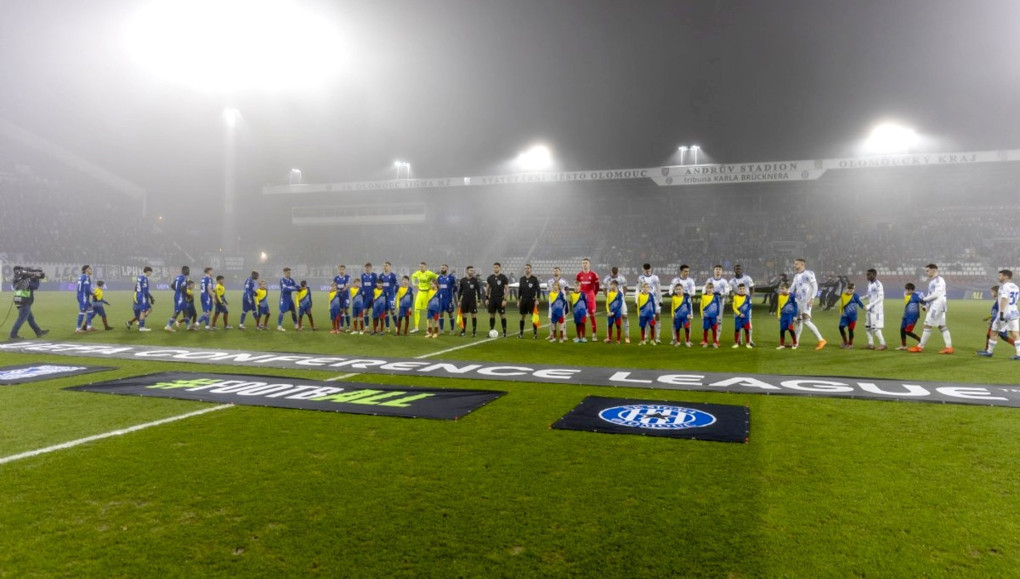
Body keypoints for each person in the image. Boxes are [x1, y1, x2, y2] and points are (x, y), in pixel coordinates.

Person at [908, 264, 953, 354]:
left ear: (934, 270)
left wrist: (924, 299)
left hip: (937, 306)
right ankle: (949, 348)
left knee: (927, 325)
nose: (926, 272)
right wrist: (926, 305)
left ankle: (920, 347)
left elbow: (936, 294)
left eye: (927, 270)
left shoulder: (939, 280)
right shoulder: (932, 281)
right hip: (938, 306)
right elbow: (931, 295)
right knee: (942, 326)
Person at [978, 270, 1020, 359]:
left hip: (1004, 314)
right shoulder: (1016, 287)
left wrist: (1001, 313)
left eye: (1000, 275)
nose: (998, 277)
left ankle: (989, 352)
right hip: (1014, 313)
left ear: (1006, 276)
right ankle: (1019, 354)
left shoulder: (1004, 287)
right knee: (1015, 334)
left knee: (994, 332)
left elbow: (1004, 299)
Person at [792, 258, 827, 350]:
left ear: (802, 265)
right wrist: (786, 293)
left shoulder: (809, 273)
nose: (795, 265)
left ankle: (821, 340)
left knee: (806, 320)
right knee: (798, 321)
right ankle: (796, 342)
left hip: (806, 300)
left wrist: (812, 298)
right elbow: (792, 288)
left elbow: (815, 286)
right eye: (795, 264)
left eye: (796, 264)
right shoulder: (796, 276)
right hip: (798, 301)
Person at [8, 266, 48, 341]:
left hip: (20, 300)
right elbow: (35, 286)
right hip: (24, 301)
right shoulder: (24, 280)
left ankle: (38, 332)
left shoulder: (18, 279)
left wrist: (31, 276)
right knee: (21, 318)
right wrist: (36, 278)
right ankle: (13, 335)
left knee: (30, 319)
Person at [669, 264, 697, 347]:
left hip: (686, 303)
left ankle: (687, 340)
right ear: (681, 271)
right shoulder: (675, 280)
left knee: (688, 323)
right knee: (675, 323)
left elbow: (693, 292)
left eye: (688, 271)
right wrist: (675, 293)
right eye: (685, 271)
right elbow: (670, 291)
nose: (687, 273)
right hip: (677, 303)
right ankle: (675, 339)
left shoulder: (691, 281)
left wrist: (685, 294)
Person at [637, 264, 662, 343]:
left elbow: (658, 289)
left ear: (651, 269)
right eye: (646, 270)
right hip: (645, 301)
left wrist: (660, 300)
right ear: (643, 269)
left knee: (657, 317)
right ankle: (646, 336)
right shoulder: (640, 278)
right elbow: (637, 289)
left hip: (655, 300)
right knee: (646, 317)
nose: (647, 271)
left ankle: (657, 337)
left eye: (649, 270)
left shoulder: (655, 278)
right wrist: (636, 301)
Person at [576, 258, 600, 341]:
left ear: (589, 264)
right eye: (583, 263)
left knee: (592, 315)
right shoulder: (578, 275)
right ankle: (580, 335)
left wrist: (593, 294)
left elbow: (597, 287)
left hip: (590, 296)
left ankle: (594, 335)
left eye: (586, 263)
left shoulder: (594, 275)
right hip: (581, 297)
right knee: (581, 316)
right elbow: (577, 286)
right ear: (581, 265)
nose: (585, 264)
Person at [863, 268, 887, 350]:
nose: (867, 276)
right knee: (867, 327)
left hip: (877, 310)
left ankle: (883, 344)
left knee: (875, 328)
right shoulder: (870, 284)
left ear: (874, 275)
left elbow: (881, 297)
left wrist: (870, 305)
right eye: (867, 274)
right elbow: (868, 295)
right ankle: (871, 344)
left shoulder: (878, 284)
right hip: (870, 309)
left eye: (869, 274)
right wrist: (859, 298)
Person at [837, 283, 866, 349]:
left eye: (852, 289)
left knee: (850, 330)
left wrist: (864, 307)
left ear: (854, 289)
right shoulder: (843, 295)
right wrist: (841, 311)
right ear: (847, 289)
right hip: (845, 316)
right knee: (841, 327)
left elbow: (860, 303)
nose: (851, 290)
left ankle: (850, 344)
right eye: (849, 288)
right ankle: (845, 342)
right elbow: (842, 304)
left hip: (853, 317)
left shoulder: (855, 296)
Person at [606, 266, 630, 343]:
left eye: (616, 273)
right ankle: (608, 337)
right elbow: (604, 288)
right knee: (609, 317)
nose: (615, 274)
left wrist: (623, 296)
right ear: (611, 271)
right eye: (613, 273)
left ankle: (627, 336)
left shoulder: (622, 278)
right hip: (611, 300)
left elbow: (625, 287)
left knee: (625, 316)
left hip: (620, 299)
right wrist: (609, 298)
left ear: (618, 272)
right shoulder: (607, 278)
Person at [705, 264, 731, 339]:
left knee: (719, 321)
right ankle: (707, 337)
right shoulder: (709, 280)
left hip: (720, 303)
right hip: (710, 303)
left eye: (719, 269)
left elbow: (727, 292)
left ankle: (717, 338)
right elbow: (705, 290)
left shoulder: (724, 281)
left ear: (722, 271)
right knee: (709, 320)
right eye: (716, 269)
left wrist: (721, 294)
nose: (718, 271)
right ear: (714, 271)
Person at [410, 262, 437, 333]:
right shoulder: (418, 273)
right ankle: (416, 327)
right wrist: (414, 283)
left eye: (422, 266)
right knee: (416, 310)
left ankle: (428, 328)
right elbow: (413, 276)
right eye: (420, 266)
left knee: (428, 310)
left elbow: (436, 276)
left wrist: (435, 285)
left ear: (425, 267)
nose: (421, 268)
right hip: (419, 292)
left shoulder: (429, 273)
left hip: (426, 293)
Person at [516, 263, 540, 339]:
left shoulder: (534, 279)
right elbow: (519, 290)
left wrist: (537, 299)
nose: (526, 270)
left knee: (534, 317)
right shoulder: (521, 279)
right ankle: (521, 334)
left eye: (528, 268)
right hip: (523, 300)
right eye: (525, 268)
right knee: (522, 316)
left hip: (531, 300)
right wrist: (518, 300)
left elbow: (538, 290)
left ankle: (535, 334)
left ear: (530, 269)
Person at [486, 262, 510, 338]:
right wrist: (487, 298)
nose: (495, 268)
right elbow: (487, 289)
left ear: (500, 268)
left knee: (502, 315)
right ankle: (491, 331)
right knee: (492, 315)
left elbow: (507, 289)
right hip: (492, 299)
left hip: (500, 299)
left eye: (496, 267)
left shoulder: (503, 277)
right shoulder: (490, 278)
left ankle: (504, 332)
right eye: (494, 267)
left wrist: (505, 299)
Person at [127, 266, 154, 332]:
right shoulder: (144, 279)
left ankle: (139, 322)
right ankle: (141, 326)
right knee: (143, 311)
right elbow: (145, 290)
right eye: (150, 272)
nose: (150, 274)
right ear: (148, 271)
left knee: (148, 309)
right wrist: (149, 297)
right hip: (142, 296)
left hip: (138, 295)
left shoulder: (140, 277)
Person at [897, 282, 923, 350]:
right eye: (906, 289)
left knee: (907, 331)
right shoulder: (906, 295)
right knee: (902, 330)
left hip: (913, 317)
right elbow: (906, 301)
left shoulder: (916, 296)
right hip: (906, 316)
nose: (907, 291)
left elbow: (923, 302)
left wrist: (923, 306)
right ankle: (904, 346)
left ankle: (921, 341)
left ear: (913, 290)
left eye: (909, 290)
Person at [458, 265, 482, 337]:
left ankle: (474, 332)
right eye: (471, 270)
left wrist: (478, 301)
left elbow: (478, 291)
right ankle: (463, 331)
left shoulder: (475, 280)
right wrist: (459, 300)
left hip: (472, 300)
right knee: (464, 315)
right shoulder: (463, 280)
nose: (472, 271)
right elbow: (460, 291)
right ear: (467, 271)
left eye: (473, 270)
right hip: (464, 300)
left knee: (473, 315)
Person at [546, 267, 570, 341]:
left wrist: (561, 297)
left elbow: (567, 291)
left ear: (560, 272)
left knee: (562, 318)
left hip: (560, 303)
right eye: (554, 271)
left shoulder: (564, 281)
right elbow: (548, 291)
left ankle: (564, 335)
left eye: (557, 270)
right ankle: (552, 335)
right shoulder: (549, 281)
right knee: (551, 318)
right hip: (552, 302)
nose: (555, 272)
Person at [165, 265, 190, 333]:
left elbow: (172, 285)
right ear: (184, 270)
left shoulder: (178, 277)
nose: (189, 271)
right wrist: (188, 295)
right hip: (180, 297)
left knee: (186, 311)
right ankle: (168, 325)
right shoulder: (184, 278)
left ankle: (188, 326)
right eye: (188, 270)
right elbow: (182, 288)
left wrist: (177, 291)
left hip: (178, 295)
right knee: (177, 311)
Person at [669, 280, 692, 347]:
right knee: (677, 329)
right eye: (677, 289)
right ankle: (678, 341)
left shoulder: (686, 297)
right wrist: (672, 315)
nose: (678, 291)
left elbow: (689, 306)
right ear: (675, 290)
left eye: (680, 289)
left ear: (682, 289)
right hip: (677, 316)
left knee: (687, 328)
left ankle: (687, 341)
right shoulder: (674, 298)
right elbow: (672, 307)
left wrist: (689, 314)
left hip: (685, 316)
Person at [700, 281, 722, 348]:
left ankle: (715, 342)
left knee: (714, 329)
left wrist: (717, 315)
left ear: (713, 289)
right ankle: (706, 342)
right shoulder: (703, 296)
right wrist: (702, 315)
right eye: (708, 288)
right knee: (705, 329)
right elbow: (701, 306)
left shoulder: (716, 297)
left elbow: (718, 306)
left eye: (710, 288)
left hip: (713, 317)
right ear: (706, 289)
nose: (709, 289)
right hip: (706, 316)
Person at [437, 264, 458, 334]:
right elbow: (438, 287)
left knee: (450, 314)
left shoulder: (451, 277)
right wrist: (438, 296)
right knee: (441, 314)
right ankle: (441, 329)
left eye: (443, 268)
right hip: (441, 299)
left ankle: (452, 330)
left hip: (448, 299)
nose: (442, 269)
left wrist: (451, 295)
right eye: (441, 268)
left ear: (447, 269)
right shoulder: (439, 278)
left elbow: (455, 288)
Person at [776, 282, 798, 349]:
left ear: (787, 289)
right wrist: (778, 315)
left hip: (790, 315)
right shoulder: (780, 296)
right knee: (782, 330)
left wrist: (795, 316)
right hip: (783, 315)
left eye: (783, 289)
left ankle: (795, 343)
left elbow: (795, 306)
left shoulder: (792, 296)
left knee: (790, 328)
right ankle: (782, 345)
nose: (781, 290)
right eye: (781, 289)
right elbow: (779, 306)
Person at [379, 262, 398, 333]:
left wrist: (394, 293)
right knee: (385, 311)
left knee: (392, 311)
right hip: (384, 296)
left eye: (386, 266)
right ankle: (387, 327)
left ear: (390, 267)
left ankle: (397, 326)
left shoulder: (393, 275)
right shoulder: (381, 276)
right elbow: (379, 285)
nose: (385, 267)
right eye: (384, 266)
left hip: (391, 296)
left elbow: (397, 285)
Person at [732, 283, 753, 348]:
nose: (741, 290)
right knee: (737, 329)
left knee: (747, 330)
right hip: (738, 317)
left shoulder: (748, 297)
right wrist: (739, 314)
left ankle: (748, 343)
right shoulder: (735, 297)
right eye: (740, 289)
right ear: (738, 289)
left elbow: (749, 306)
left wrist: (744, 313)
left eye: (743, 289)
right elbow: (734, 307)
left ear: (745, 289)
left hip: (745, 317)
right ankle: (736, 343)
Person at [277, 267, 299, 331]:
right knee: (282, 311)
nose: (289, 274)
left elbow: (296, 286)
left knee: (293, 311)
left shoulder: (291, 280)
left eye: (290, 272)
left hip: (289, 299)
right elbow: (285, 289)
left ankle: (296, 324)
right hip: (284, 298)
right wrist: (294, 288)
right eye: (288, 272)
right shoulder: (282, 280)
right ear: (284, 272)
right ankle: (279, 326)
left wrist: (297, 287)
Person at [75, 264, 95, 332]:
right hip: (83, 296)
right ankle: (78, 329)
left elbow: (84, 287)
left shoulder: (81, 276)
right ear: (86, 270)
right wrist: (92, 293)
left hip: (81, 295)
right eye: (90, 268)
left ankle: (89, 327)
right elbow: (86, 289)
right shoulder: (86, 277)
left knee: (90, 308)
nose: (91, 270)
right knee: (82, 311)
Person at [333, 265, 351, 332]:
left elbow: (347, 286)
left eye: (343, 269)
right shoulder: (336, 278)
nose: (341, 271)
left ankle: (348, 326)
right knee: (340, 311)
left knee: (346, 310)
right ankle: (341, 326)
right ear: (338, 270)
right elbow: (334, 286)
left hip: (346, 296)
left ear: (345, 270)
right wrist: (336, 289)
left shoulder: (347, 277)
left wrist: (340, 290)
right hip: (339, 296)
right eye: (340, 269)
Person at [605, 279, 624, 344]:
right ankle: (609, 339)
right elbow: (607, 303)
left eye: (612, 285)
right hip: (610, 313)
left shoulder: (620, 294)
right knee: (610, 325)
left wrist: (613, 312)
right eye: (611, 285)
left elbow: (619, 305)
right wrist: (608, 311)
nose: (611, 286)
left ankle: (618, 340)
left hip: (617, 313)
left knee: (618, 326)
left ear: (616, 285)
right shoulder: (609, 293)